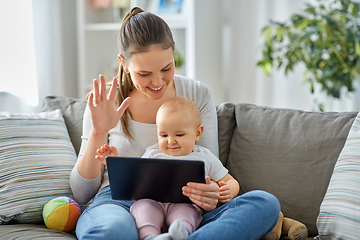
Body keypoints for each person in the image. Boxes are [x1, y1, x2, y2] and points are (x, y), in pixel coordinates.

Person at [70, 6, 280, 240]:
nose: (157, 81)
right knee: (112, 231)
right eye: (144, 74)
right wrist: (99, 132)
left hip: (187, 206)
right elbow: (82, 192)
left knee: (264, 203)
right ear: (124, 63)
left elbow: (206, 165)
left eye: (166, 68)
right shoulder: (105, 102)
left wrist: (213, 193)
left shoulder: (197, 94)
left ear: (173, 55)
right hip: (120, 202)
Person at [95, 96, 240, 240]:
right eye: (163, 135)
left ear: (197, 133)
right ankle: (150, 237)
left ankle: (180, 234)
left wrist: (229, 190)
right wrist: (114, 161)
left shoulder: (204, 156)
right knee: (144, 209)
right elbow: (134, 178)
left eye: (179, 134)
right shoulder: (152, 153)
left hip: (185, 203)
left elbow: (230, 180)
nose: (171, 141)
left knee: (186, 214)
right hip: (152, 201)